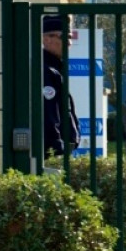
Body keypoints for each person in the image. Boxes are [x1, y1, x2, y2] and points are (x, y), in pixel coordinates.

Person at [42, 15, 80, 157]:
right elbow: (49, 114)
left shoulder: (56, 68)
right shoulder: (46, 71)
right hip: (52, 153)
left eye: (70, 38)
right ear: (46, 39)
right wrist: (57, 148)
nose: (69, 43)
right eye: (64, 37)